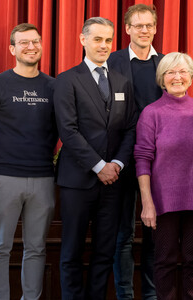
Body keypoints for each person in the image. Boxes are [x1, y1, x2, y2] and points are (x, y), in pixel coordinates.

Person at [53, 17, 137, 300]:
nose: (104, 45)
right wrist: (99, 165)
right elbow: (68, 130)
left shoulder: (123, 81)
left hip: (114, 182)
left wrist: (118, 165)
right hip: (77, 181)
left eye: (108, 40)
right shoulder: (66, 80)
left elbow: (131, 128)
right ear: (83, 40)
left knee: (104, 252)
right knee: (72, 252)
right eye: (98, 39)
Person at [134, 52, 193, 300]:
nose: (177, 77)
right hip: (163, 204)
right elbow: (142, 160)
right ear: (162, 78)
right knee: (164, 263)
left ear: (191, 77)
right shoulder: (151, 113)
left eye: (182, 71)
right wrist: (147, 203)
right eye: (171, 72)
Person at [0, 23, 58, 300]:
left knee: (36, 247)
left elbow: (59, 130)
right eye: (24, 43)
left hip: (43, 177)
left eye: (35, 41)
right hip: (5, 177)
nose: (31, 47)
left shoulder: (54, 86)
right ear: (12, 48)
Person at [107, 4, 163, 299]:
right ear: (127, 29)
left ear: (155, 28)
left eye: (149, 25)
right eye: (138, 25)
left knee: (154, 237)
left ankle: (151, 295)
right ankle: (125, 295)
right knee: (124, 235)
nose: (144, 31)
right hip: (121, 158)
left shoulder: (166, 63)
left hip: (158, 163)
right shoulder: (112, 61)